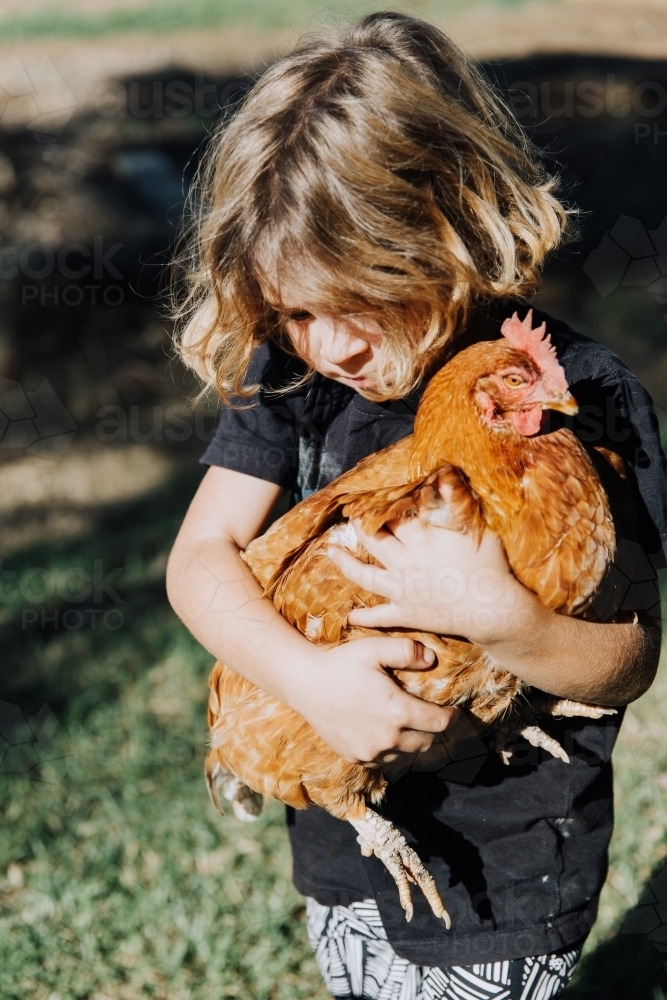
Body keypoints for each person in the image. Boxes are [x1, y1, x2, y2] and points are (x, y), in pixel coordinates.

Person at [166, 13, 666, 999]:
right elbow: (201, 554)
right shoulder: (293, 380)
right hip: (344, 833)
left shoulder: (576, 395)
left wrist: (501, 618)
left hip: (504, 865)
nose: (330, 345)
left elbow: (630, 659)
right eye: (296, 311)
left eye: (357, 297)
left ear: (445, 231)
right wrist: (307, 680)